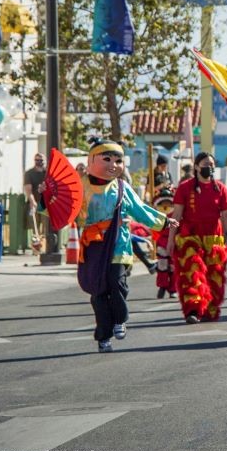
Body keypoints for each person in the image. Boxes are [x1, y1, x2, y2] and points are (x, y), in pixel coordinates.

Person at [74, 139, 173, 352]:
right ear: (92, 160)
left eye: (118, 160)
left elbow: (140, 209)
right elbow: (65, 211)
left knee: (117, 283)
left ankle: (120, 319)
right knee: (99, 291)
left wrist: (164, 221)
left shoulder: (121, 186)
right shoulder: (80, 186)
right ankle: (103, 336)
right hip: (93, 245)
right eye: (107, 159)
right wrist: (47, 197)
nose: (113, 164)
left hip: (119, 243)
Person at [167, 152, 227, 324]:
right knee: (192, 273)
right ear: (196, 167)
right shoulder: (185, 187)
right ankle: (194, 310)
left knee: (214, 277)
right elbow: (177, 214)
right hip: (190, 237)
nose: (209, 167)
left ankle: (209, 310)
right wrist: (170, 240)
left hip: (214, 238)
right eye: (205, 164)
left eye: (211, 164)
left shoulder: (221, 188)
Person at [23, 153, 47, 248]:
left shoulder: (48, 173)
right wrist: (32, 201)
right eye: (37, 160)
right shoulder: (29, 173)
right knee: (35, 227)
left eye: (41, 160)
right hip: (35, 202)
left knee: (46, 226)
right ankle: (36, 247)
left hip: (46, 204)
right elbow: (28, 189)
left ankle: (45, 245)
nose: (39, 162)